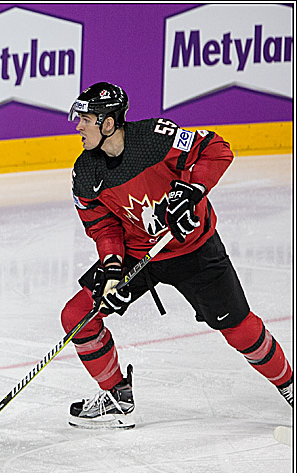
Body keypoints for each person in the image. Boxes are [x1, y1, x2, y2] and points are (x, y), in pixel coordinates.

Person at [62, 81, 293, 429]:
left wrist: (191, 189)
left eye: (86, 119)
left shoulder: (157, 138)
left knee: (239, 330)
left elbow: (216, 149)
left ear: (108, 123)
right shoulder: (86, 172)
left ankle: (289, 387)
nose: (78, 126)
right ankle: (116, 395)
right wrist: (112, 270)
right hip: (138, 255)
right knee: (77, 315)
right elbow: (103, 227)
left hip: (195, 251)